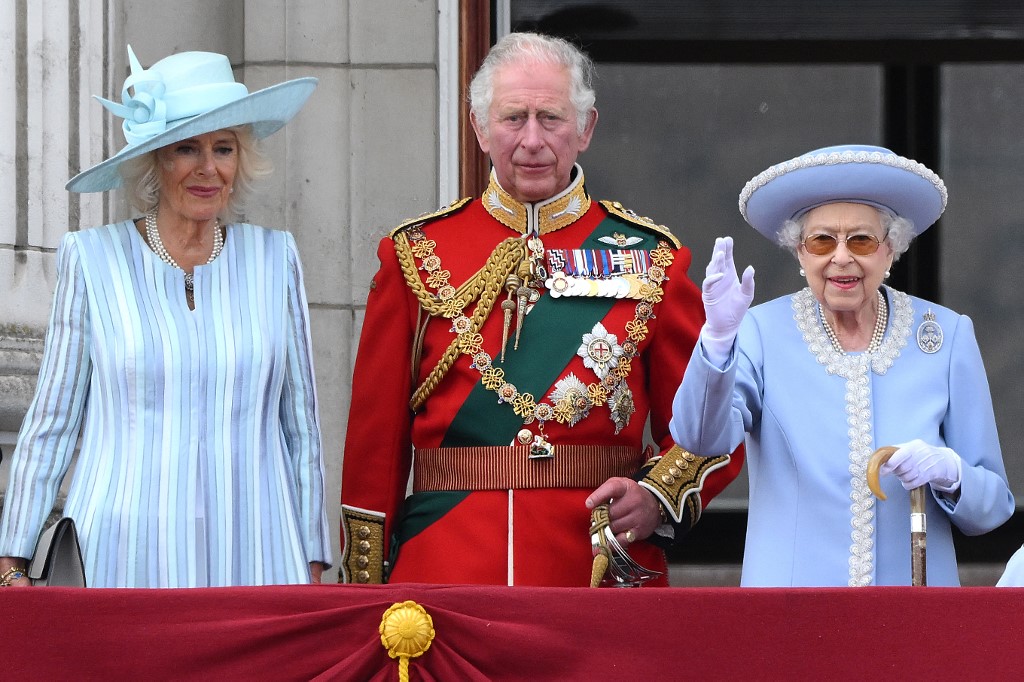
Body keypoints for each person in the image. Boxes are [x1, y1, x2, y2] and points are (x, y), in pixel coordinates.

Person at [339, 32, 742, 587]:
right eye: (512, 118)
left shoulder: (652, 260)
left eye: (550, 118)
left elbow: (711, 425)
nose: (531, 140)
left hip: (597, 570)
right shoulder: (416, 253)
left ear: (585, 129)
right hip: (444, 568)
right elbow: (373, 449)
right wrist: (364, 592)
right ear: (479, 127)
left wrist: (655, 497)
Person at [0, 47, 331, 588]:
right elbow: (53, 421)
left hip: (258, 551)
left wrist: (313, 557)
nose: (207, 168)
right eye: (186, 149)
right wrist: (11, 561)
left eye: (223, 148)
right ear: (155, 160)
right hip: (121, 554)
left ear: (241, 159)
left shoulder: (276, 259)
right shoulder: (93, 259)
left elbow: (301, 427)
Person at [670, 144, 1014, 586]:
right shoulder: (759, 332)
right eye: (821, 240)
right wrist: (717, 341)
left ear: (891, 250)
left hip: (912, 615)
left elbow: (992, 508)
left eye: (862, 240)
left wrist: (952, 473)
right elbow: (701, 440)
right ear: (800, 253)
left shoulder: (945, 336)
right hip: (792, 614)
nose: (841, 257)